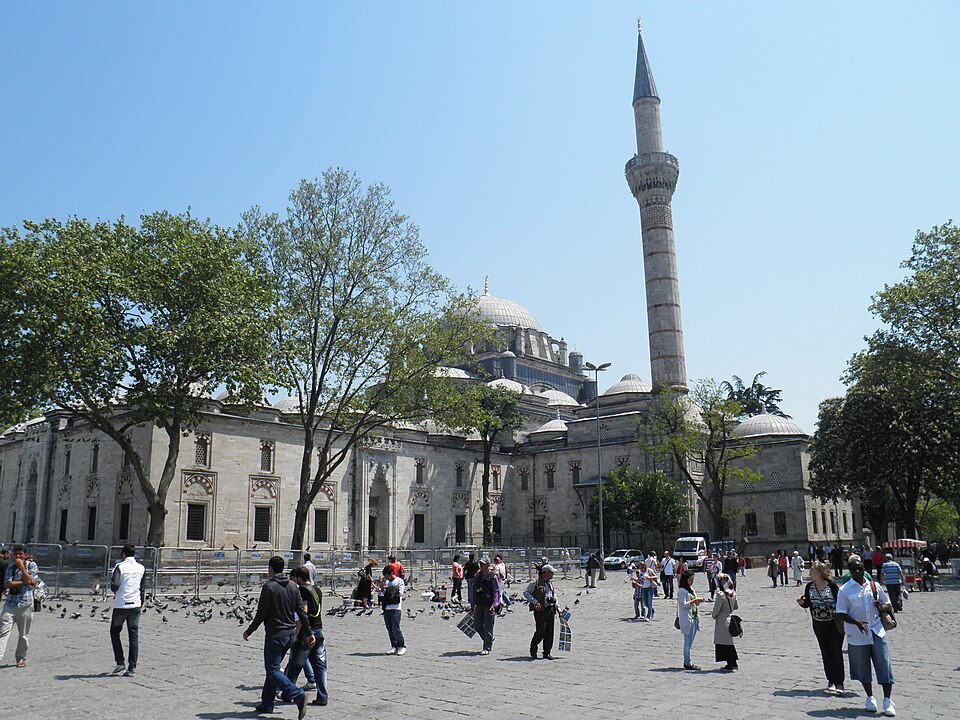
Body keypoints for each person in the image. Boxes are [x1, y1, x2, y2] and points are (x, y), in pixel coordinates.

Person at [243, 555, 313, 718]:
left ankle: (298, 695)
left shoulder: (269, 587)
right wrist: (309, 632)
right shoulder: (293, 586)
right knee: (272, 668)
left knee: (273, 670)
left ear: (270, 569)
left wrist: (249, 631)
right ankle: (267, 704)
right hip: (290, 636)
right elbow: (301, 612)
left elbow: (261, 614)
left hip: (276, 635)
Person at [836, 555, 897, 716]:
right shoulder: (844, 590)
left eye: (861, 568)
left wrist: (881, 606)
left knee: (884, 664)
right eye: (855, 569)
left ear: (864, 569)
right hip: (857, 635)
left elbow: (888, 604)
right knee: (863, 667)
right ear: (849, 571)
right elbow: (840, 613)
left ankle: (887, 699)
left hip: (876, 630)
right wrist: (856, 622)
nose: (858, 571)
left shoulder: (874, 586)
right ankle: (870, 697)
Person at [797, 561, 845, 694]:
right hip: (818, 623)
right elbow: (808, 603)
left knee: (835, 650)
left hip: (834, 623)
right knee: (825, 652)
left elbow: (841, 602)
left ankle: (840, 682)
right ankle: (831, 680)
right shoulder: (809, 587)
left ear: (819, 572)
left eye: (812, 569)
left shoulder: (832, 585)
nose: (809, 571)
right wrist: (802, 603)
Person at [286, 567, 328, 706]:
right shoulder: (317, 589)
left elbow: (303, 612)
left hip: (307, 633)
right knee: (320, 666)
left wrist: (297, 631)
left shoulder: (303, 590)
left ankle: (288, 694)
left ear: (298, 578)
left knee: (294, 665)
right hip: (319, 629)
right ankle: (322, 696)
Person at [109, 544, 145, 677]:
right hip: (135, 605)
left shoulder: (120, 567)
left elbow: (115, 586)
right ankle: (132, 668)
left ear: (123, 554)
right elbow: (142, 587)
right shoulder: (141, 568)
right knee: (133, 636)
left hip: (121, 605)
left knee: (114, 632)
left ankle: (120, 662)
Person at [0, 545, 37, 668]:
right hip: (10, 603)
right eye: (16, 554)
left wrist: (22, 567)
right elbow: (7, 584)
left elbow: (30, 579)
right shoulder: (11, 566)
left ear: (25, 555)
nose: (18, 556)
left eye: (20, 554)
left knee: (23, 635)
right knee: (3, 632)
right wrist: (26, 582)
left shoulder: (32, 565)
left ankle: (21, 658)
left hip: (25, 603)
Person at [523, 563, 558, 660]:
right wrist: (535, 602)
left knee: (550, 632)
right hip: (540, 610)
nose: (552, 575)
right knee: (541, 631)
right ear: (546, 573)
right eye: (551, 573)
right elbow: (526, 592)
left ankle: (547, 652)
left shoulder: (550, 583)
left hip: (550, 609)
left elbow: (554, 597)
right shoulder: (536, 582)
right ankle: (533, 648)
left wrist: (558, 609)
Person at [469, 556, 500, 655]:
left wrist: (494, 604)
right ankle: (489, 639)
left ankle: (487, 647)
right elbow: (474, 591)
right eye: (481, 564)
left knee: (488, 626)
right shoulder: (477, 576)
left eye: (483, 564)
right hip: (479, 604)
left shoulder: (493, 576)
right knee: (477, 625)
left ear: (488, 565)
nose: (482, 566)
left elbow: (496, 591)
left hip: (488, 604)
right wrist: (472, 605)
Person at [677, 570, 705, 671]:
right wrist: (694, 601)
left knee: (690, 641)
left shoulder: (691, 590)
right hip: (687, 619)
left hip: (694, 618)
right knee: (687, 642)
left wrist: (698, 601)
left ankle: (688, 661)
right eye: (690, 580)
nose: (692, 581)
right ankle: (687, 663)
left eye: (693, 579)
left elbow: (694, 602)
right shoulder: (682, 591)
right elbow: (683, 605)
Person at [711, 573, 739, 671]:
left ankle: (730, 663)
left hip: (722, 620)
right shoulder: (732, 593)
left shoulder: (721, 595)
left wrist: (713, 615)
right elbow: (736, 606)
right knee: (729, 642)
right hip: (730, 618)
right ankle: (733, 661)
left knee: (724, 643)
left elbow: (716, 610)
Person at [377, 565, 406, 655]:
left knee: (395, 628)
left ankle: (401, 646)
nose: (386, 578)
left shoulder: (399, 581)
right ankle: (394, 646)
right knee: (389, 629)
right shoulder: (386, 582)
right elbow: (382, 595)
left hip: (396, 607)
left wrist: (388, 589)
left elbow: (400, 593)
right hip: (386, 607)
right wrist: (381, 589)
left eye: (387, 576)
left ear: (391, 573)